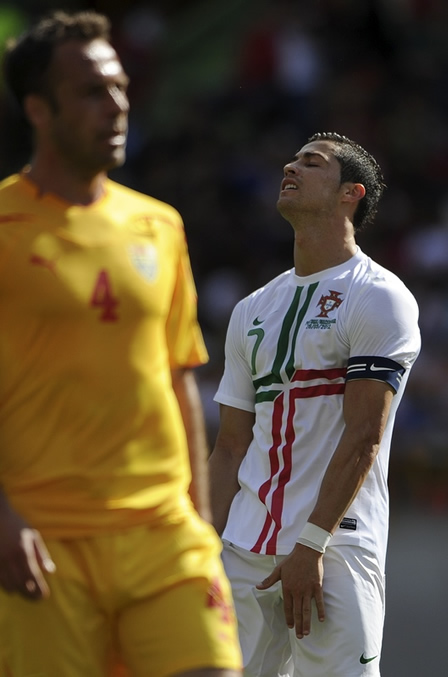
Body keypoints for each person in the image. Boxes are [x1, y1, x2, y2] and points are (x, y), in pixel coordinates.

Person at [0, 10, 242, 677]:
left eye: (120, 87)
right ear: (38, 110)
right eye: (91, 92)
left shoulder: (158, 225)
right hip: (45, 542)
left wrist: (198, 519)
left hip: (164, 537)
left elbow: (176, 378)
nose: (117, 105)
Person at [209, 131, 421, 677]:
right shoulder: (252, 309)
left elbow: (364, 435)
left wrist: (312, 543)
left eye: (312, 162)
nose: (291, 166)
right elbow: (230, 446)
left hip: (335, 548)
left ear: (352, 193)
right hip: (243, 547)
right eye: (292, 159)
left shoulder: (379, 296)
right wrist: (202, 544)